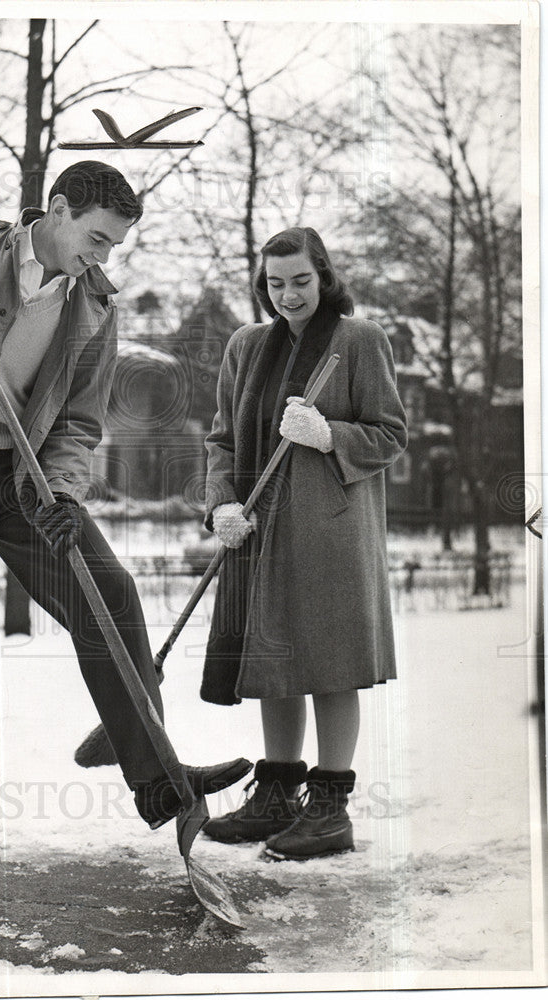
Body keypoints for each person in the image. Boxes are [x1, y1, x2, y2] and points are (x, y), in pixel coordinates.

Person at [0, 161, 249, 888]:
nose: (104, 255)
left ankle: (157, 780)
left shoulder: (96, 305)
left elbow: (79, 423)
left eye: (117, 245)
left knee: (111, 594)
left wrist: (62, 496)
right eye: (96, 237)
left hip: (21, 477)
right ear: (56, 211)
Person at [200, 226, 407, 859]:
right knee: (274, 662)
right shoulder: (246, 346)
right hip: (260, 535)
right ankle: (276, 795)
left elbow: (391, 435)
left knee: (331, 665)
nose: (287, 295)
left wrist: (328, 435)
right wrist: (223, 503)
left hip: (331, 534)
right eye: (275, 283)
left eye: (300, 281)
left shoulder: (359, 341)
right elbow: (221, 441)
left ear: (324, 276)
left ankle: (331, 809)